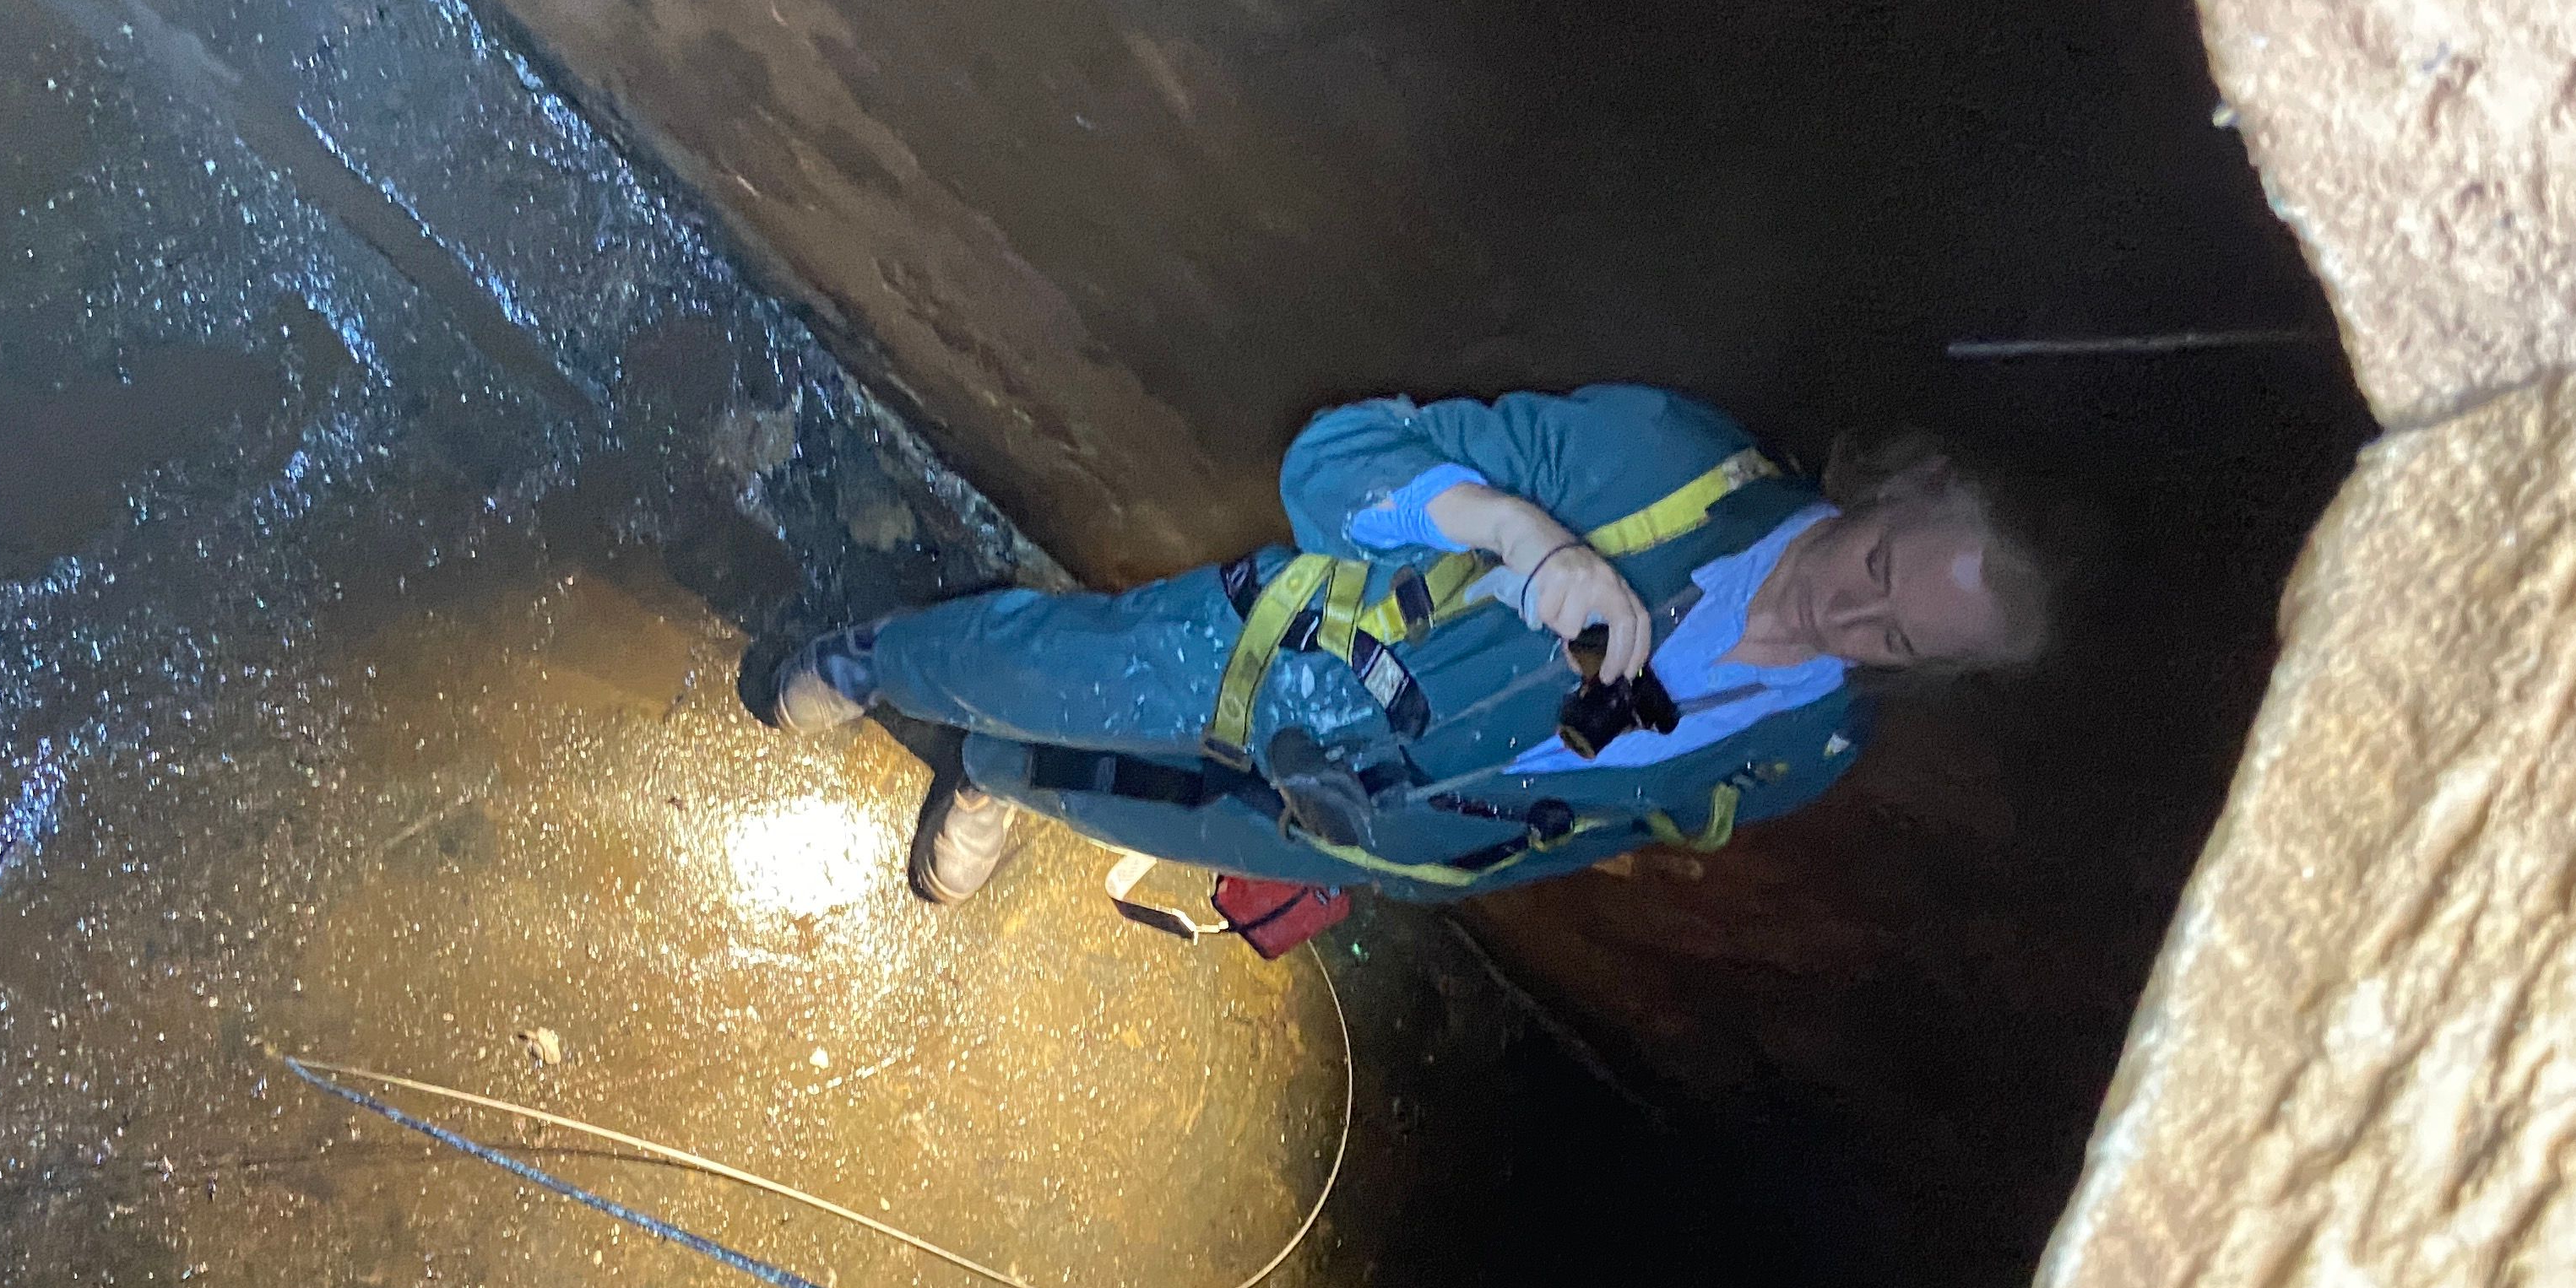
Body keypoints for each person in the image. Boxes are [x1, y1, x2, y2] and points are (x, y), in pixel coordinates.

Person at [771, 384, 2047, 904]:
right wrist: (1529, 541)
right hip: (1296, 658)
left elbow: (1629, 817)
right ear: (1888, 489)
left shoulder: (1815, 743)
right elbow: (1335, 459)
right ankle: (873, 657)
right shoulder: (1665, 464)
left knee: (1140, 810)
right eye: (1880, 565)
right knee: (1049, 664)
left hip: (1381, 823)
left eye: (1897, 634)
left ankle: (996, 775)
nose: (1849, 615)